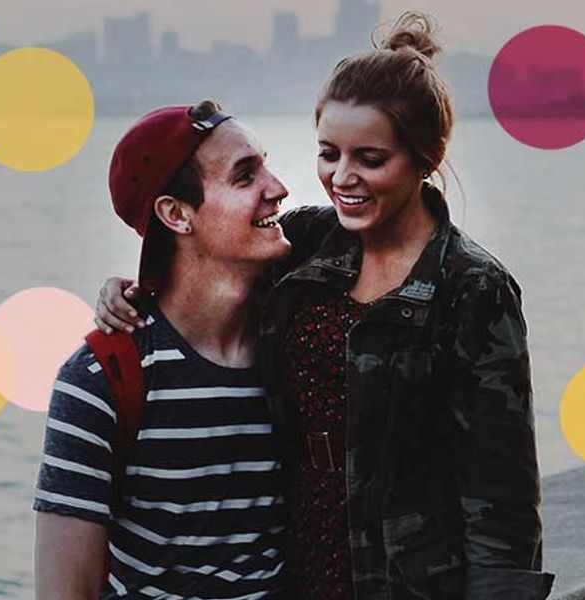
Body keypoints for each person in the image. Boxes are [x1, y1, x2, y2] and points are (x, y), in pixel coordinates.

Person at [94, 12, 555, 600]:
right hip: (290, 569)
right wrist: (128, 289)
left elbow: (503, 498)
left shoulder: (473, 288)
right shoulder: (307, 242)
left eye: (370, 158)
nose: (343, 177)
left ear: (425, 159)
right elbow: (206, 254)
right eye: (328, 153)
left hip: (409, 583)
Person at [33, 100, 291, 599]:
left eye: (265, 165)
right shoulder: (102, 379)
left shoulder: (298, 341)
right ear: (176, 214)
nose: (277, 188)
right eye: (245, 176)